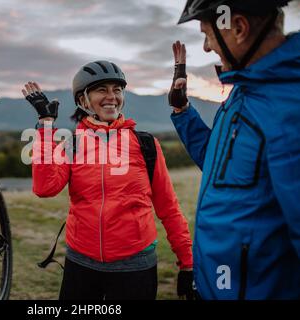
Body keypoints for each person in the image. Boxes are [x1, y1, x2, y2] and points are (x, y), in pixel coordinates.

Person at [22, 60, 194, 300]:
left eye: (117, 89)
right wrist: (45, 125)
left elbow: (168, 207)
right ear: (83, 100)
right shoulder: (72, 144)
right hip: (81, 263)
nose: (111, 96)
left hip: (135, 266)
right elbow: (45, 188)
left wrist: (187, 262)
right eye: (102, 89)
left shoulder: (145, 145)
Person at [169, 0, 300, 299]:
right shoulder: (245, 92)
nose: (205, 47)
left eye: (207, 34)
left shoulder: (289, 109)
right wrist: (183, 112)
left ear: (238, 28)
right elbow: (223, 170)